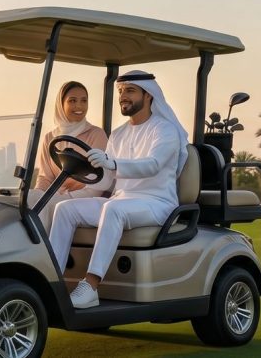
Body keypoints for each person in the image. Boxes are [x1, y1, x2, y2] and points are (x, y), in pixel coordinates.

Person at [48, 70, 188, 309]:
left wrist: (111, 163)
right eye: (121, 92)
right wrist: (83, 176)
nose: (123, 96)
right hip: (122, 199)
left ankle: (90, 286)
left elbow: (152, 165)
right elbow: (107, 181)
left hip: (157, 203)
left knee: (113, 209)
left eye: (130, 91)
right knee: (65, 209)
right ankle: (50, 281)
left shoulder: (165, 130)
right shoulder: (119, 134)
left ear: (149, 95)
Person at [30, 81, 110, 230]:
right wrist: (39, 194)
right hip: (58, 196)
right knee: (29, 198)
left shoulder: (96, 134)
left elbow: (98, 183)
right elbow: (45, 177)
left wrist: (65, 198)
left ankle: (42, 249)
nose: (79, 106)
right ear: (61, 104)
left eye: (83, 101)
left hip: (86, 198)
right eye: (72, 101)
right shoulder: (50, 138)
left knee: (47, 204)